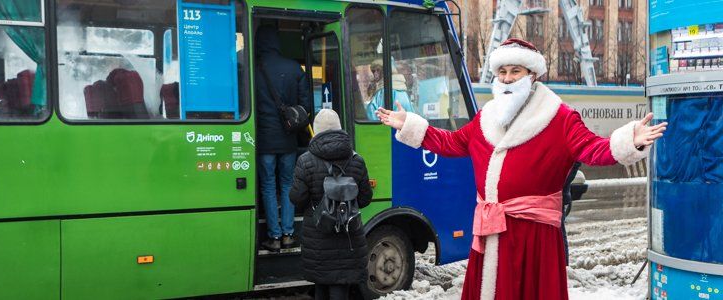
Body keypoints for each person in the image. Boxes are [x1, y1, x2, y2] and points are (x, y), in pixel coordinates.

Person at [376, 38, 668, 300]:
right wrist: (411, 125)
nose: (507, 79)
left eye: (515, 71)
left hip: (533, 237)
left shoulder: (559, 117)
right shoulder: (485, 117)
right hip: (491, 231)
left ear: (532, 75)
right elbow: (452, 142)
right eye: (502, 72)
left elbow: (593, 149)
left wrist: (629, 140)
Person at [289, 109, 372, 300]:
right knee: (340, 288)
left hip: (318, 237)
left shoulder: (305, 161)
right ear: (339, 129)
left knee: (322, 287)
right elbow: (366, 198)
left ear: (315, 131)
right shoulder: (357, 160)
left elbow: (297, 198)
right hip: (349, 238)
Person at [254, 25, 312, 251]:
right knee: (287, 184)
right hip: (288, 140)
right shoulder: (294, 68)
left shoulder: (253, 68)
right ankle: (289, 234)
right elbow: (305, 106)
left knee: (268, 187)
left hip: (265, 142)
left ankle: (274, 237)